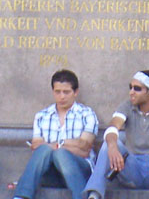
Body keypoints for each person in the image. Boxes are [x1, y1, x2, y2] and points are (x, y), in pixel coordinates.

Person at [83, 70, 149, 199]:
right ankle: (94, 195)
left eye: (137, 88)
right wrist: (112, 146)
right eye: (131, 87)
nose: (131, 92)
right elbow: (113, 126)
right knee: (109, 143)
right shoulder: (127, 106)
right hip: (132, 170)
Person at [13, 69, 99, 199]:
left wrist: (58, 145)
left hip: (80, 170)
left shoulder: (87, 114)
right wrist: (70, 145)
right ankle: (21, 197)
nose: (62, 96)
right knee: (44, 150)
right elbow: (36, 147)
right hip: (50, 173)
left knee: (60, 153)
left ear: (76, 92)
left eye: (66, 92)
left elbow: (84, 149)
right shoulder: (42, 116)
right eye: (57, 92)